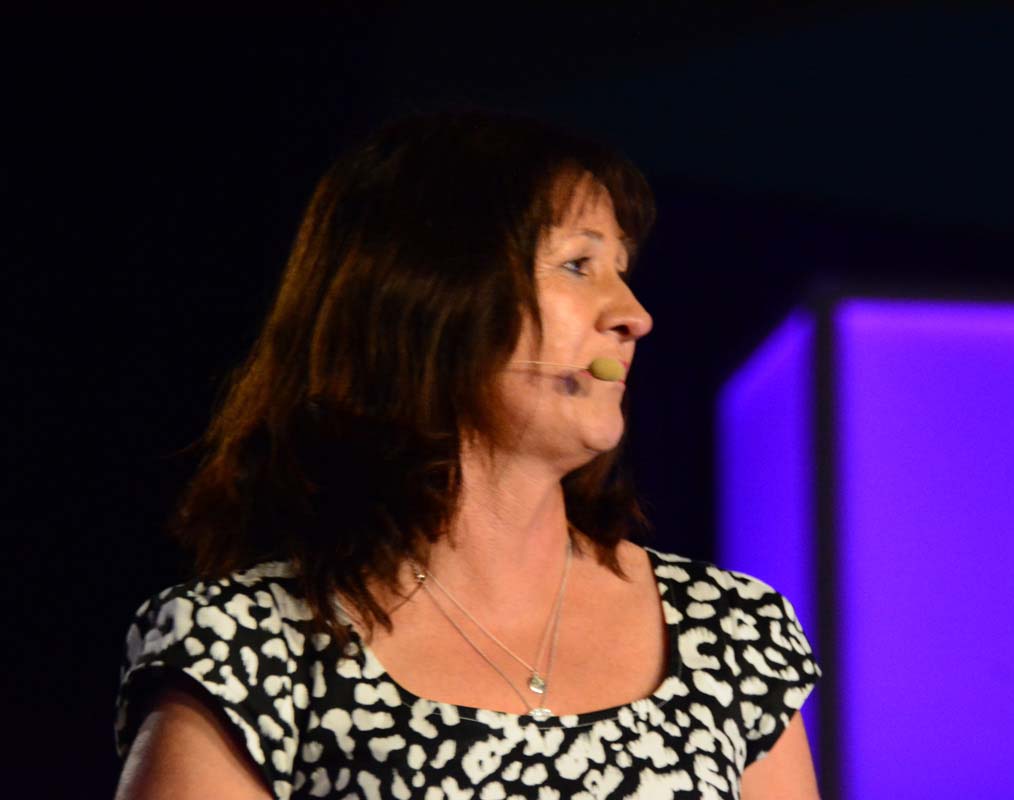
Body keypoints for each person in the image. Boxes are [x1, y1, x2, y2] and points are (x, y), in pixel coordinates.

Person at [114, 110, 821, 799]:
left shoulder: (729, 632)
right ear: (428, 298)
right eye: (578, 264)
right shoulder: (250, 645)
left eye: (622, 269)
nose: (633, 315)